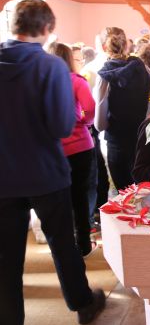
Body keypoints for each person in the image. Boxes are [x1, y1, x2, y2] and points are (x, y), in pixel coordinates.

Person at [0, 0, 105, 325]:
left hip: (3, 175)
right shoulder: (51, 67)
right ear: (47, 29)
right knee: (63, 242)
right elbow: (62, 126)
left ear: (14, 26)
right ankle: (82, 304)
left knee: (6, 256)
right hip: (45, 171)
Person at [46, 42, 97, 257]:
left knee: (59, 197)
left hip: (54, 148)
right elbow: (90, 108)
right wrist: (84, 123)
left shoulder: (44, 82)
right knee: (80, 195)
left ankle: (63, 245)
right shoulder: (77, 81)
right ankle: (84, 243)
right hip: (80, 146)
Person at [94, 27, 150, 190]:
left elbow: (100, 124)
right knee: (144, 189)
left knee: (124, 193)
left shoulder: (104, 76)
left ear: (105, 47)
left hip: (118, 141)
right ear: (127, 44)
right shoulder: (143, 68)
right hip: (142, 138)